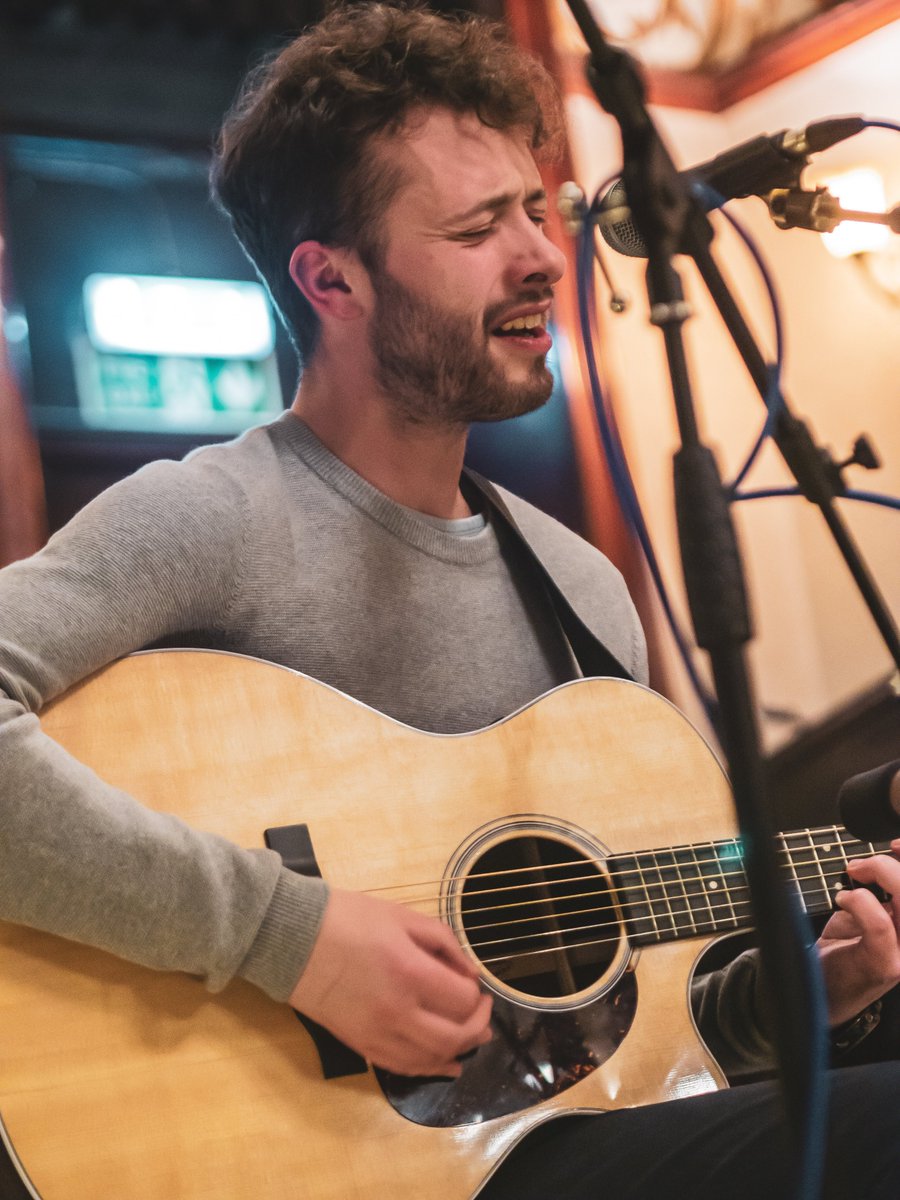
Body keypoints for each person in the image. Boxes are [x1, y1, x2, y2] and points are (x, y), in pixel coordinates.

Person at [1, 5, 899, 1197]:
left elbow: (625, 1055)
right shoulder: (207, 517)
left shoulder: (580, 588)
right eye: (480, 227)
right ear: (333, 278)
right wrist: (291, 939)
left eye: (537, 210)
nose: (542, 256)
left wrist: (797, 998)